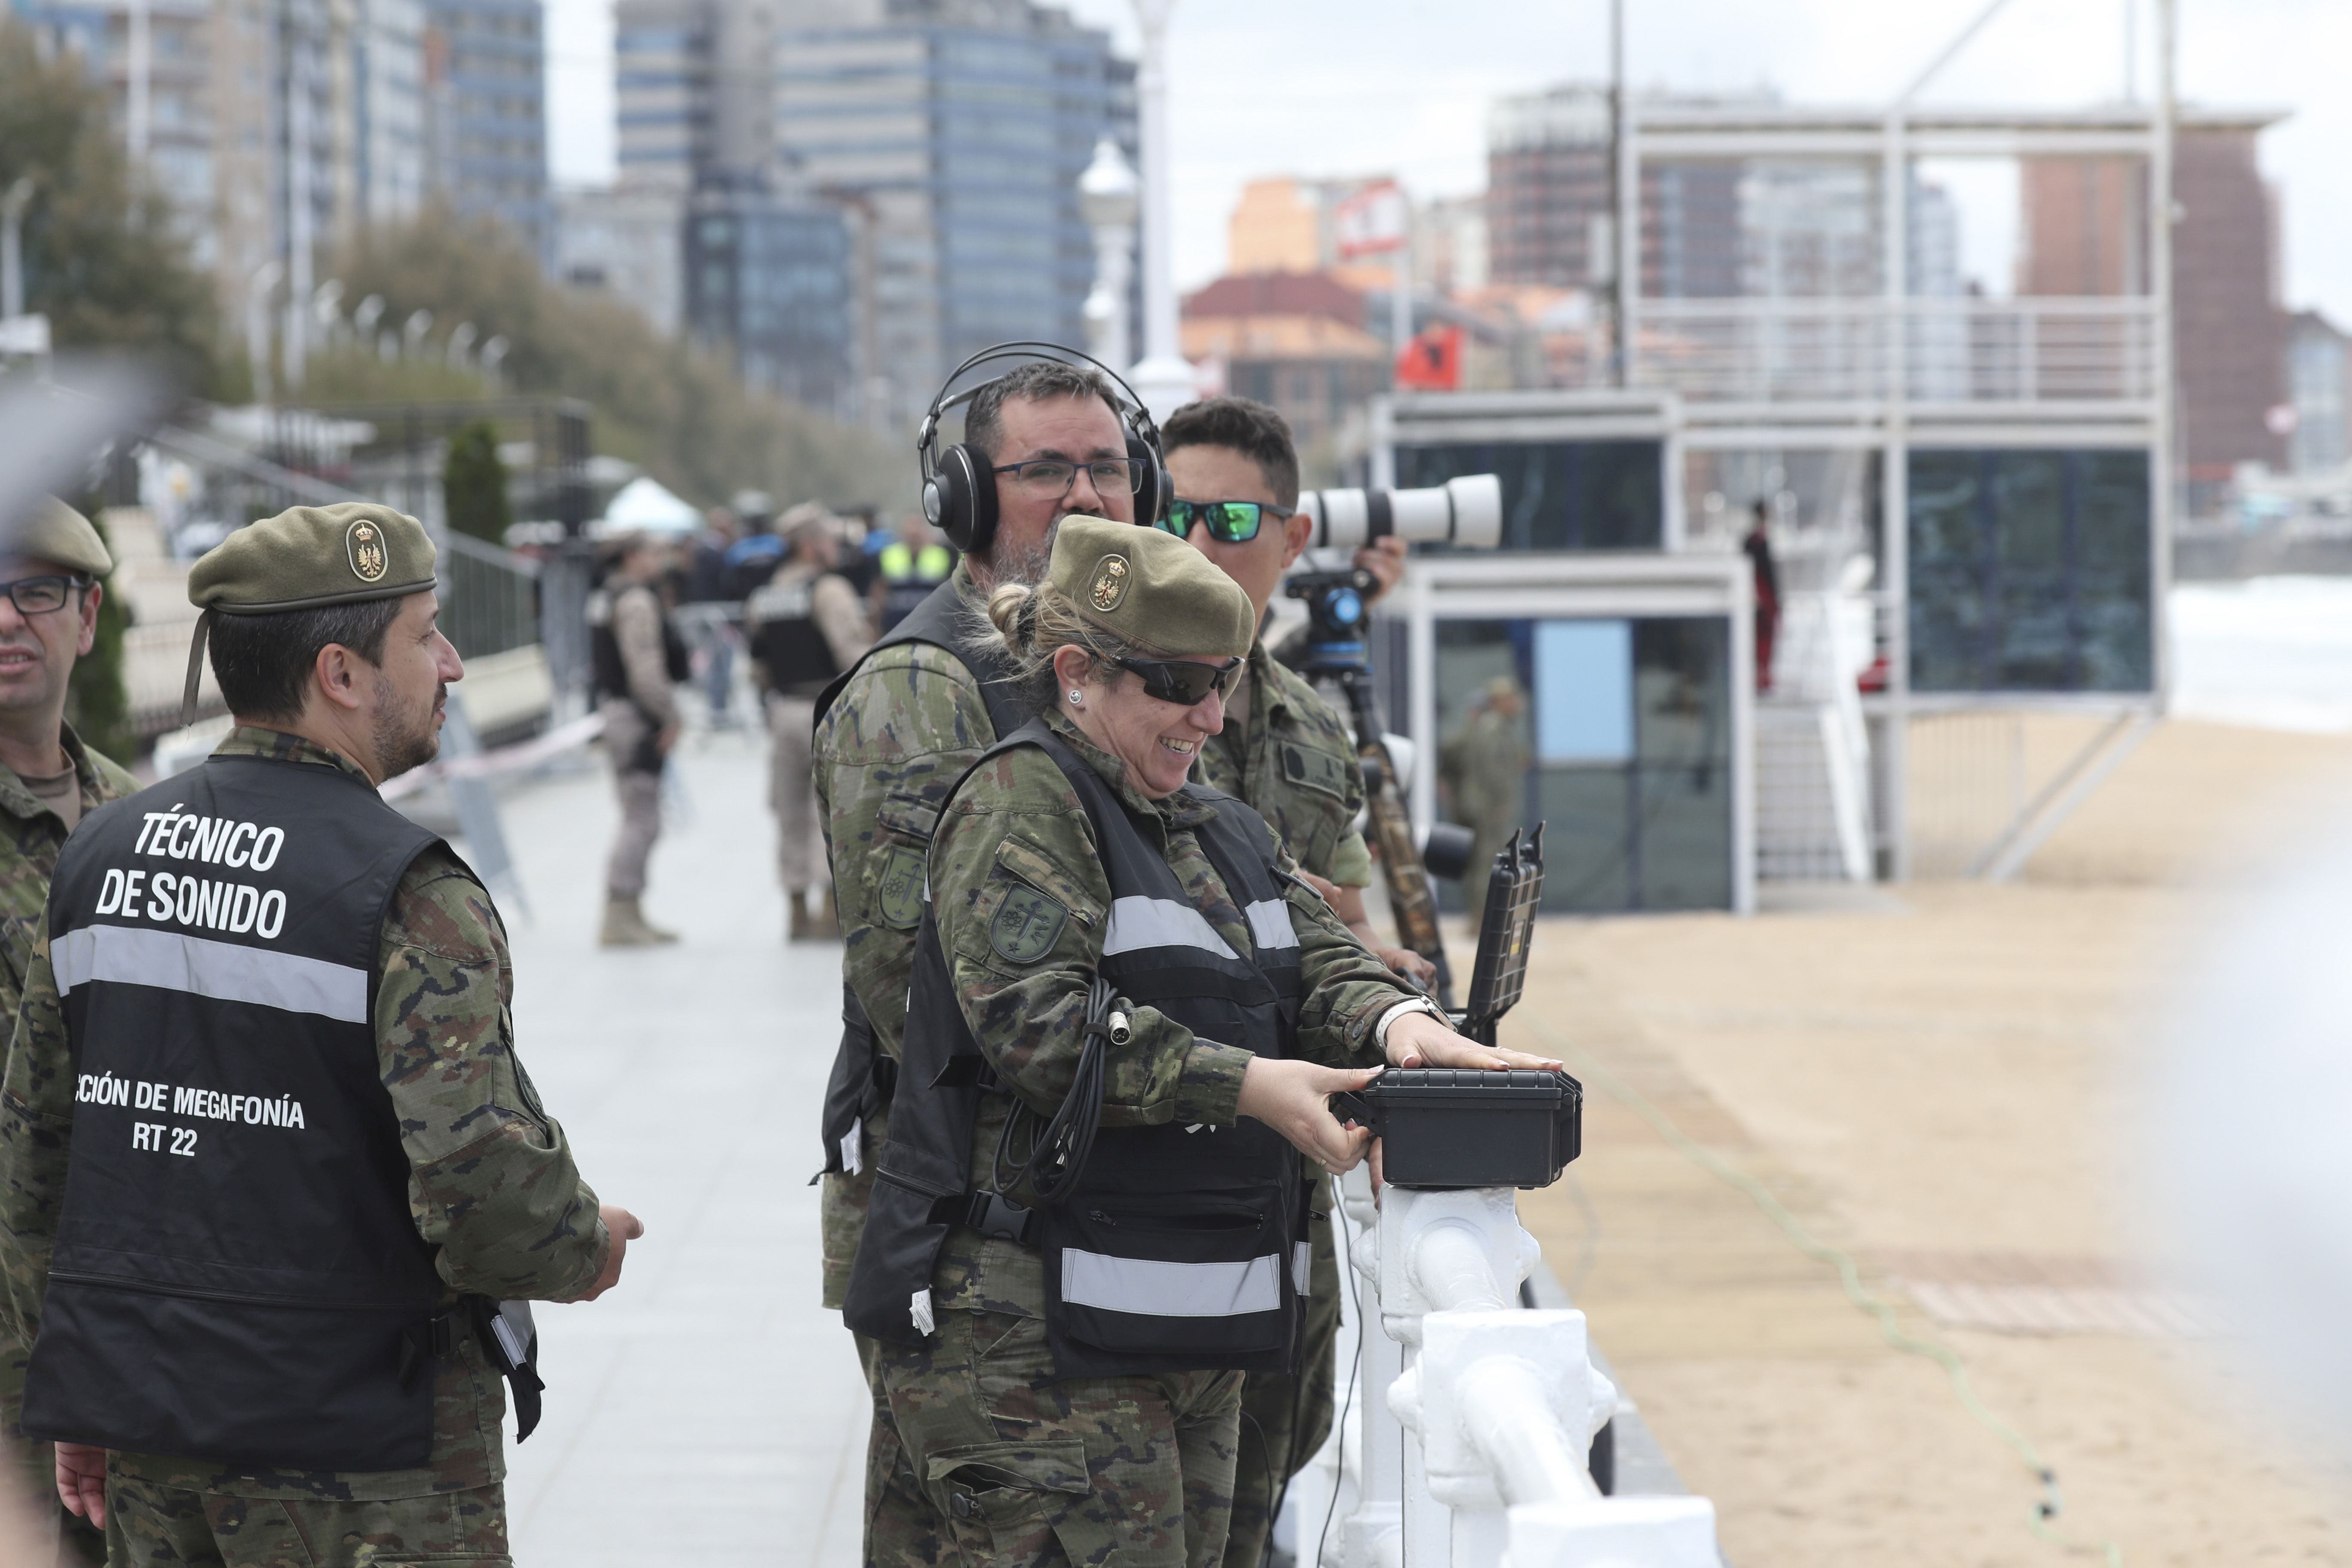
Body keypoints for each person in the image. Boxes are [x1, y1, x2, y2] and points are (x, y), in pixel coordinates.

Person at [845, 517, 1562, 1562]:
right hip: (1027, 1346)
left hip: (1176, 1333)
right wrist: (1249, 1086)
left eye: (1223, 681)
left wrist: (1405, 1029)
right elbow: (1040, 1028)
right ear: (1077, 673)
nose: (1209, 715)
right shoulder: (1019, 803)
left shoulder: (1217, 826)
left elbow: (1318, 957)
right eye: (1178, 684)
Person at [0, 502, 641, 1565]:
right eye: (425, 635)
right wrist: (585, 1244)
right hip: (365, 1464)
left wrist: (80, 1384)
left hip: (157, 1440)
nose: (451, 665)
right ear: (341, 675)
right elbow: (485, 1199)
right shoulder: (406, 889)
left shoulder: (102, 852)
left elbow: (44, 1171)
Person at [812, 355, 1148, 1561]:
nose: (1087, 497)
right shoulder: (924, 689)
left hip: (1063, 1215)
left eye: (1107, 467)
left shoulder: (1103, 676)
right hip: (969, 1240)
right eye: (1045, 470)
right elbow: (925, 997)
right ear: (962, 497)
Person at [1158, 395, 1432, 1568]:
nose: (1198, 541)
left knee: (1266, 1475)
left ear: (1293, 534)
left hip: (1277, 1187)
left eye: (1227, 516)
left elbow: (1349, 929)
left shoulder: (1315, 733)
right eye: (1171, 512)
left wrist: (1398, 990)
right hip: (1134, 1169)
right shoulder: (1084, 713)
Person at [0, 498, 136, 1568]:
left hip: (118, 1341)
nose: (7, 618)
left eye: (35, 591)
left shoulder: (141, 826)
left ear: (86, 618)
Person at [748, 505, 872, 941]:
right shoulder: (829, 589)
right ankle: (827, 909)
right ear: (809, 545)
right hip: (827, 711)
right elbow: (852, 655)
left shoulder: (765, 595)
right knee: (833, 809)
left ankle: (795, 908)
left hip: (783, 711)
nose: (836, 547)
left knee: (788, 810)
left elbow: (758, 663)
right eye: (830, 540)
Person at [588, 532, 688, 946]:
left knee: (639, 813)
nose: (660, 558)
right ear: (632, 557)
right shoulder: (635, 600)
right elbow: (645, 668)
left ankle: (632, 913)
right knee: (641, 819)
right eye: (652, 551)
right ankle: (620, 913)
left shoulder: (605, 595)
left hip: (617, 710)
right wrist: (670, 716)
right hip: (637, 715)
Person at [1440, 677, 1531, 931]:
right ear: (1501, 701)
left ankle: (1482, 920)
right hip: (1487, 809)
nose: (1517, 705)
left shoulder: (1490, 727)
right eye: (1512, 700)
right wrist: (1501, 803)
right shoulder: (1491, 728)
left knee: (1485, 864)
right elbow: (1493, 772)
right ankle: (1482, 922)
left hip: (1483, 806)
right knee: (1487, 865)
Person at [1744, 499, 1780, 694]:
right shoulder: (1754, 541)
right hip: (1762, 597)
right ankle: (1761, 680)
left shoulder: (1759, 540)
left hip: (1766, 597)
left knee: (1766, 640)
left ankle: (1765, 678)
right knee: (1761, 640)